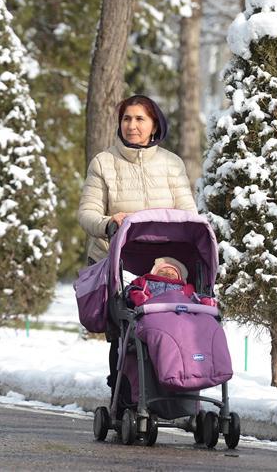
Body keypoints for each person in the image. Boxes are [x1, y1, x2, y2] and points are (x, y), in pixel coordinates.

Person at [77, 94, 197, 398]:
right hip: (118, 262)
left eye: (140, 119)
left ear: (154, 124)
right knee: (124, 333)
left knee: (170, 327)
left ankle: (173, 391)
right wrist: (109, 222)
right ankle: (123, 394)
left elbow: (188, 213)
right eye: (127, 118)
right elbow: (87, 213)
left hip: (163, 265)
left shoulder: (171, 164)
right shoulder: (104, 162)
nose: (132, 125)